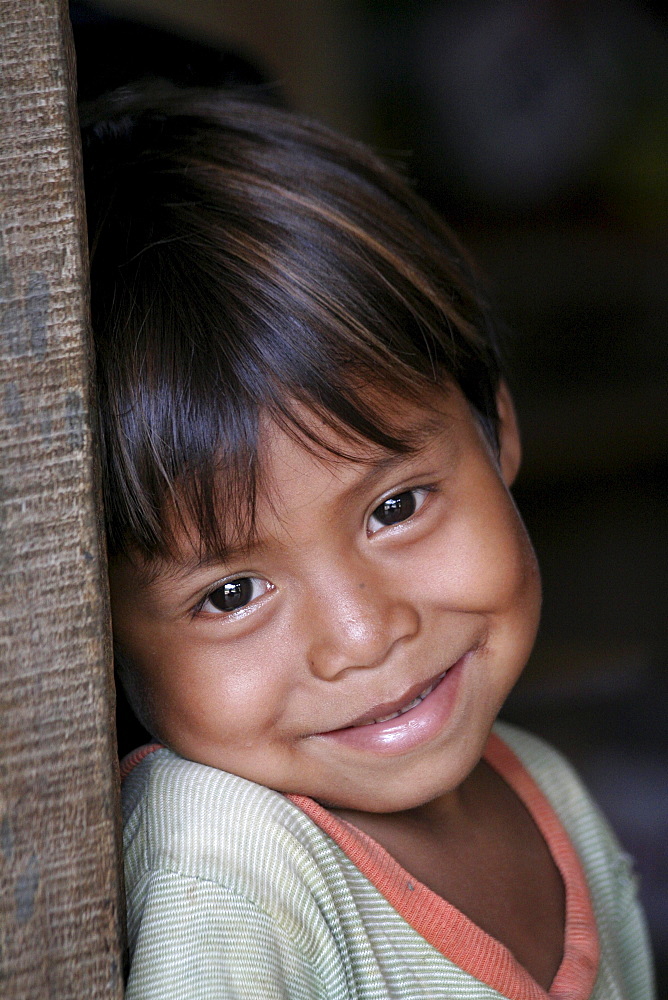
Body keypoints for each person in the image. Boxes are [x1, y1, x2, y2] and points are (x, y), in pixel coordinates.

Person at [80, 85, 654, 1000]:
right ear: (93, 632)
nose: (362, 636)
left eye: (396, 506)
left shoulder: (545, 788)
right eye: (230, 593)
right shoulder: (224, 859)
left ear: (496, 426)